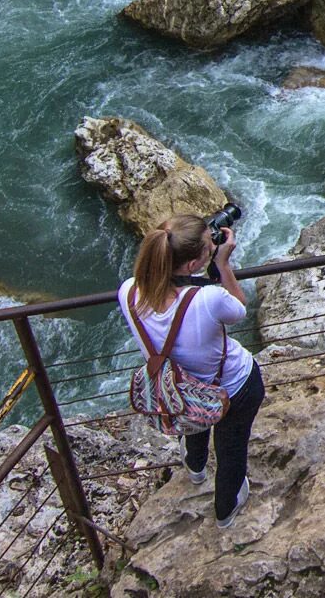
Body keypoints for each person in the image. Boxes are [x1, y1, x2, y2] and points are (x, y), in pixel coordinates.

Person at [119, 215, 263, 528]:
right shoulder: (208, 298)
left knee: (193, 420)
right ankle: (227, 508)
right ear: (191, 266)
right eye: (207, 249)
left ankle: (195, 466)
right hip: (232, 387)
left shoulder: (128, 291)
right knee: (231, 445)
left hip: (178, 386)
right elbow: (239, 308)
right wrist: (223, 264)